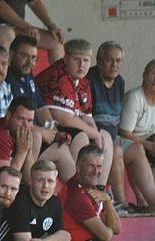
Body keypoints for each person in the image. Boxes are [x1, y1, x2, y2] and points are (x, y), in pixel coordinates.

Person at [36, 39, 114, 188]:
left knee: (105, 136)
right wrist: (93, 134)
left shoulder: (84, 82)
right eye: (77, 60)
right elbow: (63, 119)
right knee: (81, 137)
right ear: (65, 59)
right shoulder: (59, 76)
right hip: (48, 126)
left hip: (65, 126)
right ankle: (83, 190)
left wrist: (97, 134)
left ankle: (99, 189)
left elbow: (86, 117)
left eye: (86, 60)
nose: (81, 65)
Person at [117, 60, 155, 213]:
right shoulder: (135, 97)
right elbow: (124, 132)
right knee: (139, 150)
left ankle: (151, 199)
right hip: (127, 139)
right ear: (144, 76)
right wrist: (150, 146)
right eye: (152, 74)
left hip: (147, 139)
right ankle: (144, 202)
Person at [0, 96, 75, 183]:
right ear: (9, 116)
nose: (25, 125)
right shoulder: (0, 135)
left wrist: (27, 150)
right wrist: (22, 152)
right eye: (20, 119)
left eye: (30, 121)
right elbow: (7, 181)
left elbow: (29, 180)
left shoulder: (18, 134)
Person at [85, 41, 127, 209]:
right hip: (95, 137)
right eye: (109, 60)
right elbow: (86, 117)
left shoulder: (120, 82)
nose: (114, 65)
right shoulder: (89, 80)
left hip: (115, 136)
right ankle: (121, 203)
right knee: (116, 151)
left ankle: (152, 204)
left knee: (137, 150)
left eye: (118, 61)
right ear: (99, 60)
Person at [60, 145, 120, 241]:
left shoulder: (92, 189)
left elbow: (117, 229)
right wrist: (107, 225)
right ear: (78, 167)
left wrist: (107, 200)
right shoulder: (75, 193)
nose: (96, 171)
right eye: (91, 166)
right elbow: (106, 235)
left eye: (99, 166)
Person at [2, 159, 70, 241]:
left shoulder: (55, 203)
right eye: (40, 180)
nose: (45, 186)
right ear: (31, 181)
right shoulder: (20, 202)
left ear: (55, 183)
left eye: (50, 181)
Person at [0, 0, 64, 62]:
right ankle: (2, 75)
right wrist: (25, 26)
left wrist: (51, 25)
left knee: (56, 40)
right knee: (8, 34)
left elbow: (35, 2)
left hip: (18, 28)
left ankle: (58, 76)